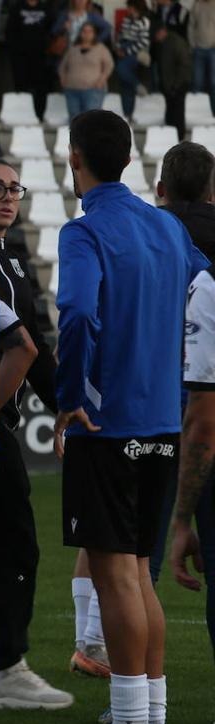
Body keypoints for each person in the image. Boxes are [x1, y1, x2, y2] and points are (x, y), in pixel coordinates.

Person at [52, 109, 208, 724]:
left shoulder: (84, 231)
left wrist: (69, 396)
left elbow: (79, 311)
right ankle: (153, 716)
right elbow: (202, 282)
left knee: (117, 575)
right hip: (161, 420)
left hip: (106, 421)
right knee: (137, 574)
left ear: (75, 158)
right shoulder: (167, 227)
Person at [0, 159, 74, 712]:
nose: (8, 198)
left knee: (10, 546)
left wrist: (63, 407)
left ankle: (0, 667)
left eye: (14, 189)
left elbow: (35, 351)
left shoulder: (11, 260)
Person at [165, 143, 215, 664]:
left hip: (165, 407)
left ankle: (134, 700)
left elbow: (204, 414)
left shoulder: (203, 280)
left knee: (132, 556)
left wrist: (184, 519)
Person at [6, 0, 54, 120]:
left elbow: (52, 31)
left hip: (41, 57)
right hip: (20, 57)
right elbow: (9, 32)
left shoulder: (46, 9)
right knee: (21, 87)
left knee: (41, 88)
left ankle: (40, 116)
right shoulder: (17, 8)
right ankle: (21, 115)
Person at [59, 22, 114, 119]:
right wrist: (63, 78)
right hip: (72, 90)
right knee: (74, 119)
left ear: (94, 34)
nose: (86, 34)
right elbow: (62, 66)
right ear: (80, 33)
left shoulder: (100, 49)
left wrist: (102, 80)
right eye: (84, 31)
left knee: (91, 119)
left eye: (89, 31)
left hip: (93, 90)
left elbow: (109, 65)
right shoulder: (73, 48)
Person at [114, 0, 152, 120]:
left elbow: (144, 41)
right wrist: (119, 48)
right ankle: (128, 114)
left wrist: (127, 51)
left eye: (130, 7)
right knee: (125, 85)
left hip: (135, 50)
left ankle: (137, 85)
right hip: (124, 47)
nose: (128, 9)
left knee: (121, 69)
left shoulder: (144, 21)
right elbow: (122, 35)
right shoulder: (127, 19)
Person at [154, 23, 192, 135]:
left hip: (178, 85)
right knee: (171, 112)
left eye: (156, 34)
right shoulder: (163, 43)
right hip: (169, 85)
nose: (155, 38)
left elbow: (184, 65)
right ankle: (170, 136)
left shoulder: (176, 42)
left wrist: (176, 85)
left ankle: (179, 137)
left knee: (178, 113)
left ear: (162, 31)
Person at [194, 0, 215, 116]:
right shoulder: (197, 5)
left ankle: (214, 112)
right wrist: (193, 43)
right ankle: (198, 115)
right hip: (199, 49)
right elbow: (192, 24)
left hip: (213, 49)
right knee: (197, 82)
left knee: (214, 83)